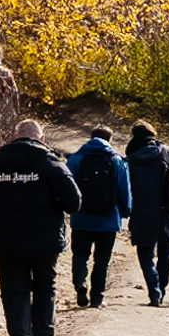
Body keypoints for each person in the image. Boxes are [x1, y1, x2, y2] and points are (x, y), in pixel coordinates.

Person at [0, 118, 80, 336]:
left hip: (7, 242)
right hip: (45, 240)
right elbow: (74, 202)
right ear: (41, 139)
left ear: (13, 137)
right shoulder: (51, 163)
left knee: (14, 292)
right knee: (45, 288)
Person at [123, 121, 169, 305]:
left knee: (144, 254)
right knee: (165, 253)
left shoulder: (130, 158)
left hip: (141, 212)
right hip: (166, 210)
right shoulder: (165, 152)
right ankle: (162, 289)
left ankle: (154, 289)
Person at [67, 124, 131, 307]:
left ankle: (80, 283)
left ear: (90, 137)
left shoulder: (76, 159)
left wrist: (68, 209)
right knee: (102, 260)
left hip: (81, 218)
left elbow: (67, 186)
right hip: (108, 219)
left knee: (80, 254)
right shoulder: (117, 161)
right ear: (109, 140)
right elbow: (123, 189)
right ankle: (97, 298)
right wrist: (125, 211)